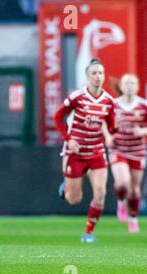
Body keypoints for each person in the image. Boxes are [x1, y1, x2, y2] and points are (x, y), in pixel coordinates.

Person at [54, 58, 117, 243]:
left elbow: (112, 127)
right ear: (87, 77)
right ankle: (66, 186)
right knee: (74, 199)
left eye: (100, 73)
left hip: (97, 152)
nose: (97, 77)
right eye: (94, 73)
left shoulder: (108, 101)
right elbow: (58, 116)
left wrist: (112, 134)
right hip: (76, 152)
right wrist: (69, 139)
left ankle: (88, 233)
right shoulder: (78, 97)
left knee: (100, 194)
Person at [103, 74, 147, 233]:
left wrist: (142, 131)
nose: (129, 86)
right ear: (121, 86)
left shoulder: (143, 105)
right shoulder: (112, 105)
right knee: (123, 182)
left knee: (135, 189)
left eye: (132, 83)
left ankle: (133, 219)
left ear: (137, 86)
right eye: (126, 83)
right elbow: (102, 121)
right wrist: (107, 136)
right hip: (118, 148)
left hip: (137, 151)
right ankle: (121, 201)